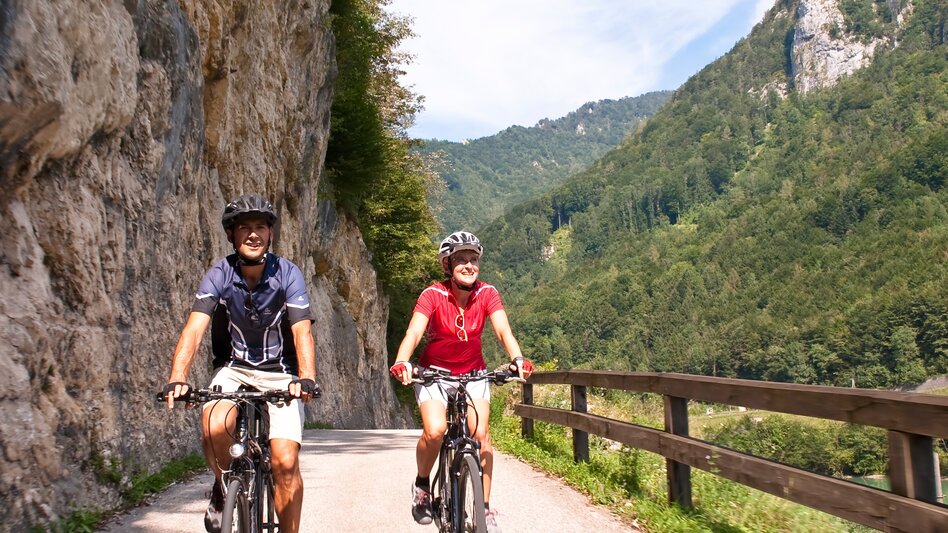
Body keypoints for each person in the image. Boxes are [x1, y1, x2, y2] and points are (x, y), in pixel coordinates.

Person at [162, 194, 318, 533]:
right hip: (234, 367)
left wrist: (305, 377)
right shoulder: (220, 272)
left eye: (260, 226)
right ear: (231, 235)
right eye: (243, 227)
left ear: (270, 233)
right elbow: (195, 327)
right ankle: (222, 485)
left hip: (282, 374)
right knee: (213, 424)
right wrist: (178, 376)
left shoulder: (288, 273)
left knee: (285, 463)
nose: (252, 234)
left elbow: (301, 330)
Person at [390, 230, 534, 533]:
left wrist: (518, 358)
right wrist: (404, 360)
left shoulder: (487, 294)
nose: (469, 265)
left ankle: (483, 508)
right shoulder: (433, 294)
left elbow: (503, 331)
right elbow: (414, 333)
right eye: (461, 260)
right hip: (434, 374)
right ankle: (421, 486)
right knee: (436, 430)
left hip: (473, 374)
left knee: (481, 435)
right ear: (447, 265)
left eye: (473, 259)